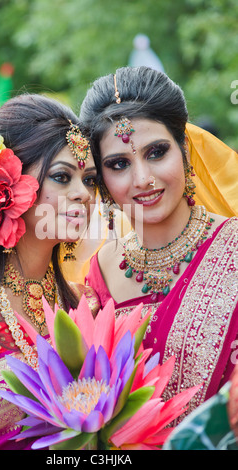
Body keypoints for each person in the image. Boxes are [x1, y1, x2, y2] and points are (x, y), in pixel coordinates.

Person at [0, 93, 100, 449]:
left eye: (89, 180)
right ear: (2, 185)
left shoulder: (84, 305)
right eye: (62, 177)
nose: (84, 195)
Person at [79, 66, 238, 422]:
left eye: (156, 152)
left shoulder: (233, 245)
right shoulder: (98, 273)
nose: (143, 179)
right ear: (100, 179)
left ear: (183, 148)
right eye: (119, 164)